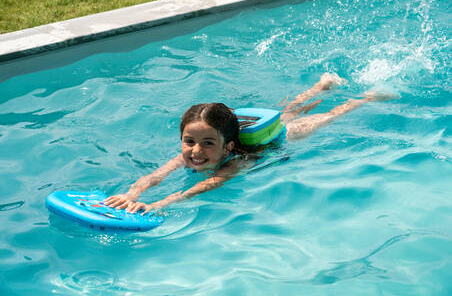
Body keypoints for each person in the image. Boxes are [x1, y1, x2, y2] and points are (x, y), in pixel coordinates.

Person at [105, 73, 392, 214]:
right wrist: (133, 193)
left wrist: (159, 205)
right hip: (246, 130)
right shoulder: (190, 154)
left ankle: (366, 98)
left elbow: (202, 187)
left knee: (317, 118)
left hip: (275, 140)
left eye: (207, 143)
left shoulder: (233, 165)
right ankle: (320, 86)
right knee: (286, 109)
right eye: (189, 141)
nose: (195, 151)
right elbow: (154, 176)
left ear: (227, 148)